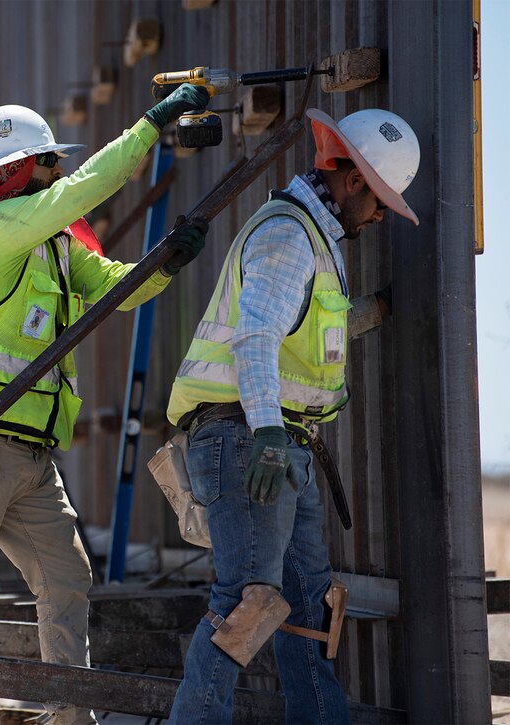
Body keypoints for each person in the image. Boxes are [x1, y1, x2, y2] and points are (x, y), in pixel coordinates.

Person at [0, 85, 212, 725]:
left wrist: (167, 261)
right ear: (19, 170)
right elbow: (85, 190)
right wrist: (149, 127)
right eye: (48, 162)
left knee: (66, 578)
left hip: (28, 450)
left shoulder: (51, 242)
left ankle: (71, 714)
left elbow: (116, 292)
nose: (59, 171)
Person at [165, 108, 421, 723]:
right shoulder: (288, 235)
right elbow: (255, 338)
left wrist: (380, 309)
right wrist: (272, 434)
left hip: (279, 446)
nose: (383, 213)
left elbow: (306, 332)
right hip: (252, 440)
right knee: (249, 601)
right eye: (381, 198)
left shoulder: (315, 240)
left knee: (306, 608)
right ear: (354, 179)